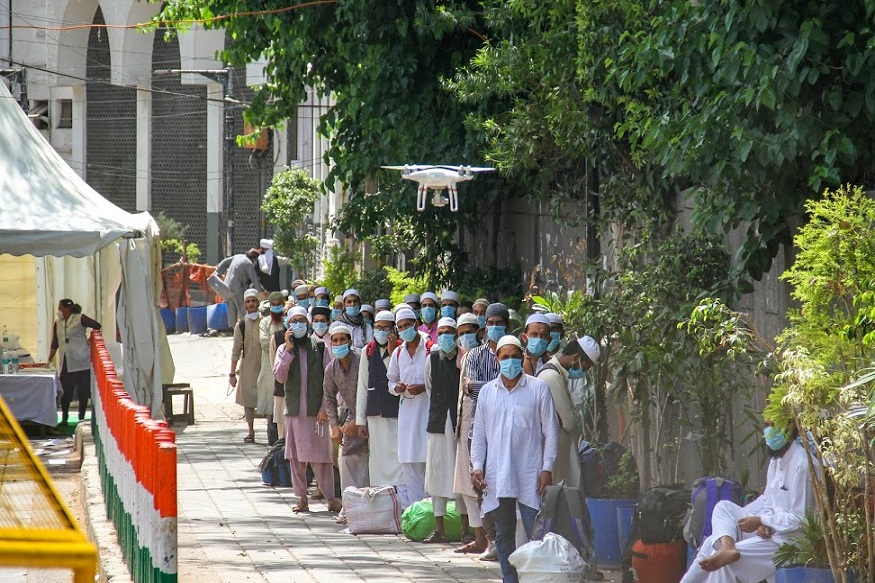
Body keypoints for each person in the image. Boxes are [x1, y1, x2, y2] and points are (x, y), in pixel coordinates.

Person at [680, 421, 816, 583]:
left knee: (726, 564)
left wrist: (762, 521)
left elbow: (800, 521)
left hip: (790, 541)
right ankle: (727, 547)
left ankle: (727, 551)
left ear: (790, 427)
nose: (769, 431)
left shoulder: (802, 464)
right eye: (767, 425)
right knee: (721, 514)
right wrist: (764, 525)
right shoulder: (776, 460)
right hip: (772, 531)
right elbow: (769, 503)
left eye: (774, 425)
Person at [471, 335, 559, 583]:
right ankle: (509, 579)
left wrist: (547, 468)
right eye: (505, 357)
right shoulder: (487, 392)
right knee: (503, 534)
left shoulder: (538, 389)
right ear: (497, 359)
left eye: (514, 356)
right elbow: (479, 434)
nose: (510, 361)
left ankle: (536, 579)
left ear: (522, 357)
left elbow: (550, 431)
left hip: (530, 472)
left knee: (536, 534)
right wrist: (477, 467)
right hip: (498, 474)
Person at [273, 306, 340, 513]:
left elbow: (330, 380)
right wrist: (289, 350)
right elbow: (279, 377)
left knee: (321, 458)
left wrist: (324, 408)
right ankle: (302, 498)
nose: (299, 325)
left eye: (302, 321)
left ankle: (330, 499)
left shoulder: (319, 347)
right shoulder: (283, 349)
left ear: (308, 323)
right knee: (296, 458)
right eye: (295, 321)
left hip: (316, 413)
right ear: (288, 325)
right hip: (294, 413)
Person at [463, 302, 510, 561]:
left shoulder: (514, 354)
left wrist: (485, 386)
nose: (494, 327)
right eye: (490, 323)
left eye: (499, 323)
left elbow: (518, 383)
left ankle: (509, 539)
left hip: (510, 431)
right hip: (480, 429)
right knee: (482, 485)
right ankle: (492, 540)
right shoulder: (474, 355)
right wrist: (499, 387)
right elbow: (470, 389)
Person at [536, 335, 600, 489]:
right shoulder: (551, 377)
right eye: (585, 367)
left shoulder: (558, 375)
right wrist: (571, 416)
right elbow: (569, 422)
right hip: (552, 454)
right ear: (576, 358)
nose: (583, 372)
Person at [387, 307, 431, 507]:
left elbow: (440, 382)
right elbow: (390, 381)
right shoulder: (398, 353)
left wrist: (424, 387)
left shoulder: (430, 349)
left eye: (408, 325)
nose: (405, 329)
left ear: (416, 324)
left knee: (429, 464)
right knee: (409, 465)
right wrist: (396, 388)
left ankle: (432, 514)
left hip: (427, 415)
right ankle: (415, 512)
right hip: (406, 416)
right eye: (401, 326)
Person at [423, 317, 462, 543]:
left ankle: (466, 528)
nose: (446, 336)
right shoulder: (432, 359)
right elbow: (430, 387)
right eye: (442, 332)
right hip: (438, 422)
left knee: (461, 476)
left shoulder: (464, 358)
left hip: (459, 423)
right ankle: (439, 530)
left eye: (450, 332)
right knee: (437, 475)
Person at [356, 310, 404, 491]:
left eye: (385, 328)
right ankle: (381, 495)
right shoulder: (367, 351)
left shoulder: (402, 349)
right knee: (378, 459)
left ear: (393, 330)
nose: (381, 332)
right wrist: (360, 421)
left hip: (397, 413)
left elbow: (400, 377)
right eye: (378, 327)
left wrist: (392, 353)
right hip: (375, 414)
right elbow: (362, 386)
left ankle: (401, 497)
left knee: (398, 458)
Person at [453, 313, 488, 553]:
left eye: (470, 331)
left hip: (481, 423)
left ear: (479, 331)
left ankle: (488, 538)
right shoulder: (466, 357)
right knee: (466, 484)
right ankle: (479, 536)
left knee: (481, 482)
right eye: (461, 332)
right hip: (464, 422)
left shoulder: (488, 355)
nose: (466, 336)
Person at [322, 322, 369, 492]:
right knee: (347, 457)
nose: (339, 343)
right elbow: (329, 398)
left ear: (350, 342)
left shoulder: (362, 360)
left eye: (342, 340)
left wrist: (359, 420)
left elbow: (372, 391)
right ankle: (350, 501)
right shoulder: (331, 369)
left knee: (370, 459)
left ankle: (369, 499)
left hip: (372, 415)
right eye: (335, 340)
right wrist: (334, 427)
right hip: (351, 415)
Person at [48, 299, 102, 426]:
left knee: (83, 391)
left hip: (81, 361)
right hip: (66, 361)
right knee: (66, 391)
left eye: (60, 308)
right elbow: (55, 343)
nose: (59, 311)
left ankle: (81, 417)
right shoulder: (58, 323)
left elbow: (97, 325)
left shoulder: (80, 318)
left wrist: (89, 342)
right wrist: (49, 359)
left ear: (67, 309)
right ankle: (64, 418)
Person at [229, 289, 263, 443]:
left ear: (258, 303)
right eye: (248, 301)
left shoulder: (265, 322)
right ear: (244, 304)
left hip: (264, 366)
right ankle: (250, 431)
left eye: (253, 301)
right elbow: (236, 351)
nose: (251, 304)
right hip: (247, 368)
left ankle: (273, 431)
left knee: (267, 398)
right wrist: (232, 374)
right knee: (248, 401)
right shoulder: (241, 325)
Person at [257, 292, 286, 445]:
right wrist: (282, 343)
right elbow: (265, 343)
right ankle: (273, 443)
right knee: (271, 408)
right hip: (269, 370)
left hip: (287, 368)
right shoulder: (264, 323)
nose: (276, 307)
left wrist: (275, 342)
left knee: (285, 407)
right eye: (273, 304)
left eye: (278, 304)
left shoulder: (288, 321)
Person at [214, 250, 265, 324]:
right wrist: (261, 291)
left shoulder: (237, 256)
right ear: (254, 258)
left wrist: (218, 272)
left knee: (231, 308)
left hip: (226, 285)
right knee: (242, 307)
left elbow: (225, 262)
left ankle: (233, 328)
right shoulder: (248, 263)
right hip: (237, 288)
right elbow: (254, 279)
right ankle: (244, 326)